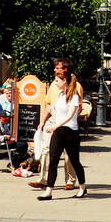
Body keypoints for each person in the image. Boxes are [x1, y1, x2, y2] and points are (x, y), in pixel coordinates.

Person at [37, 71, 87, 200]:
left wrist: (55, 126)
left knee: (74, 161)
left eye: (57, 81)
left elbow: (70, 116)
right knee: (53, 160)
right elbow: (54, 111)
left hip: (70, 132)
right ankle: (49, 190)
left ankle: (82, 187)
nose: (55, 83)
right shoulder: (59, 96)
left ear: (65, 80)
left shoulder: (74, 97)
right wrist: (45, 121)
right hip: (58, 132)